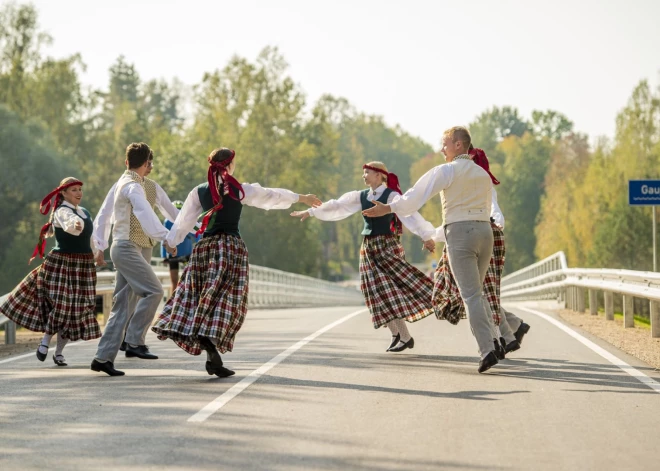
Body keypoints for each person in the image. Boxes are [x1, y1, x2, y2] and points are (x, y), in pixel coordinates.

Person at [152, 148, 321, 377]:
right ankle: (210, 345)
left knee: (198, 295)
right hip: (230, 249)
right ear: (229, 166)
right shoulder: (239, 189)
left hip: (205, 249)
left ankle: (209, 348)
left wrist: (172, 241)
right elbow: (271, 195)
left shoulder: (199, 191)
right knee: (229, 299)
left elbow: (183, 222)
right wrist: (302, 197)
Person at [363, 126, 500, 373]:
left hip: (460, 233)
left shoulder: (447, 170)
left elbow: (416, 195)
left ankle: (487, 350)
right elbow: (489, 208)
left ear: (458, 145)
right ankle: (497, 341)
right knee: (476, 293)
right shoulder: (482, 173)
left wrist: (390, 208)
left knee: (469, 295)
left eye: (445, 143)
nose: (441, 149)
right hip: (485, 232)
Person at [291, 161, 436, 352]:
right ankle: (396, 334)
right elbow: (337, 206)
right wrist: (311, 211)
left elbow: (409, 215)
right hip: (368, 247)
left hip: (387, 246)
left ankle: (406, 336)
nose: (364, 175)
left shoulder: (391, 196)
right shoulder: (361, 196)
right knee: (372, 291)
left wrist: (426, 236)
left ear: (380, 175)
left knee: (388, 290)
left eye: (367, 172)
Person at [90, 143, 176, 377]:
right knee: (154, 291)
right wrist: (167, 238)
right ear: (147, 163)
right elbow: (135, 213)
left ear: (126, 161)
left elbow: (172, 212)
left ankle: (103, 357)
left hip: (139, 248)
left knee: (123, 304)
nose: (151, 167)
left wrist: (194, 228)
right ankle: (134, 340)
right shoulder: (129, 185)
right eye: (150, 163)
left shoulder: (149, 186)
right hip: (127, 247)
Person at [0, 177, 102, 366]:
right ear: (63, 193)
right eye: (74, 190)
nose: (79, 193)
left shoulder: (85, 212)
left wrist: (97, 254)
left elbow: (91, 238)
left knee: (75, 311)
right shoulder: (61, 211)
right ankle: (46, 340)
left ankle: (59, 352)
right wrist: (75, 225)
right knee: (62, 306)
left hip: (83, 266)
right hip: (62, 263)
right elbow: (70, 225)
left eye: (80, 189)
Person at [160, 200, 199, 290]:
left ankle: (173, 302)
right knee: (183, 281)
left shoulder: (167, 221)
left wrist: (164, 256)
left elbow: (164, 238)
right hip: (183, 254)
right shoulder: (183, 220)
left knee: (176, 281)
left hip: (175, 255)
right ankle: (178, 301)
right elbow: (197, 235)